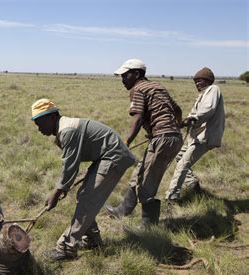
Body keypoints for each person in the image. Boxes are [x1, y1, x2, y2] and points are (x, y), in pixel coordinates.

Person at [31, 99, 135, 261]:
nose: (39, 129)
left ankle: (66, 248)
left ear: (52, 117)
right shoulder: (64, 129)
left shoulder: (68, 131)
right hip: (104, 157)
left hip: (112, 157)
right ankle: (93, 240)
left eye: (40, 123)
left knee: (87, 200)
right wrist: (62, 188)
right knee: (84, 197)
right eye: (36, 125)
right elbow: (72, 165)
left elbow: (70, 167)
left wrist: (57, 192)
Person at [105, 59, 183, 228]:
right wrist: (177, 124)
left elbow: (138, 117)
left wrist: (125, 142)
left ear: (137, 74)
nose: (123, 80)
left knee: (147, 183)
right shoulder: (158, 87)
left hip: (163, 139)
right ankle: (122, 211)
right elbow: (177, 110)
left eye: (125, 75)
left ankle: (148, 228)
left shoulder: (138, 88)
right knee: (139, 174)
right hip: (170, 138)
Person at [165, 67, 225, 202]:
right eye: (195, 81)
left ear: (208, 81)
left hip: (204, 137)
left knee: (182, 165)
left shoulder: (213, 89)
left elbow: (207, 110)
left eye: (200, 81)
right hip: (196, 137)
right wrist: (183, 122)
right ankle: (192, 184)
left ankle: (172, 197)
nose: (197, 84)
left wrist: (193, 119)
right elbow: (195, 115)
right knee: (178, 156)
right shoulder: (203, 94)